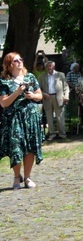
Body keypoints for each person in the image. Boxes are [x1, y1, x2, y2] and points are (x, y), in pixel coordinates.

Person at [0, 53, 44, 190]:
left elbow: (40, 95)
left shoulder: (30, 77)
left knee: (30, 147)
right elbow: (4, 103)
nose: (20, 62)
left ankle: (28, 177)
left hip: (30, 117)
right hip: (14, 119)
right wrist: (17, 92)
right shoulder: (4, 81)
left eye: (21, 59)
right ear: (9, 64)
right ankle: (16, 176)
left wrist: (33, 96)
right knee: (16, 148)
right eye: (16, 60)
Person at [39, 61, 69, 140]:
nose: (49, 67)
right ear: (45, 67)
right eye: (47, 66)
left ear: (53, 66)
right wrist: (43, 94)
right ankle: (51, 134)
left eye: (50, 66)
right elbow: (38, 89)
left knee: (60, 116)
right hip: (47, 98)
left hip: (59, 97)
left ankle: (62, 134)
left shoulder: (60, 75)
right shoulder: (42, 77)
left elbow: (66, 87)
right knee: (49, 117)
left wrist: (66, 97)